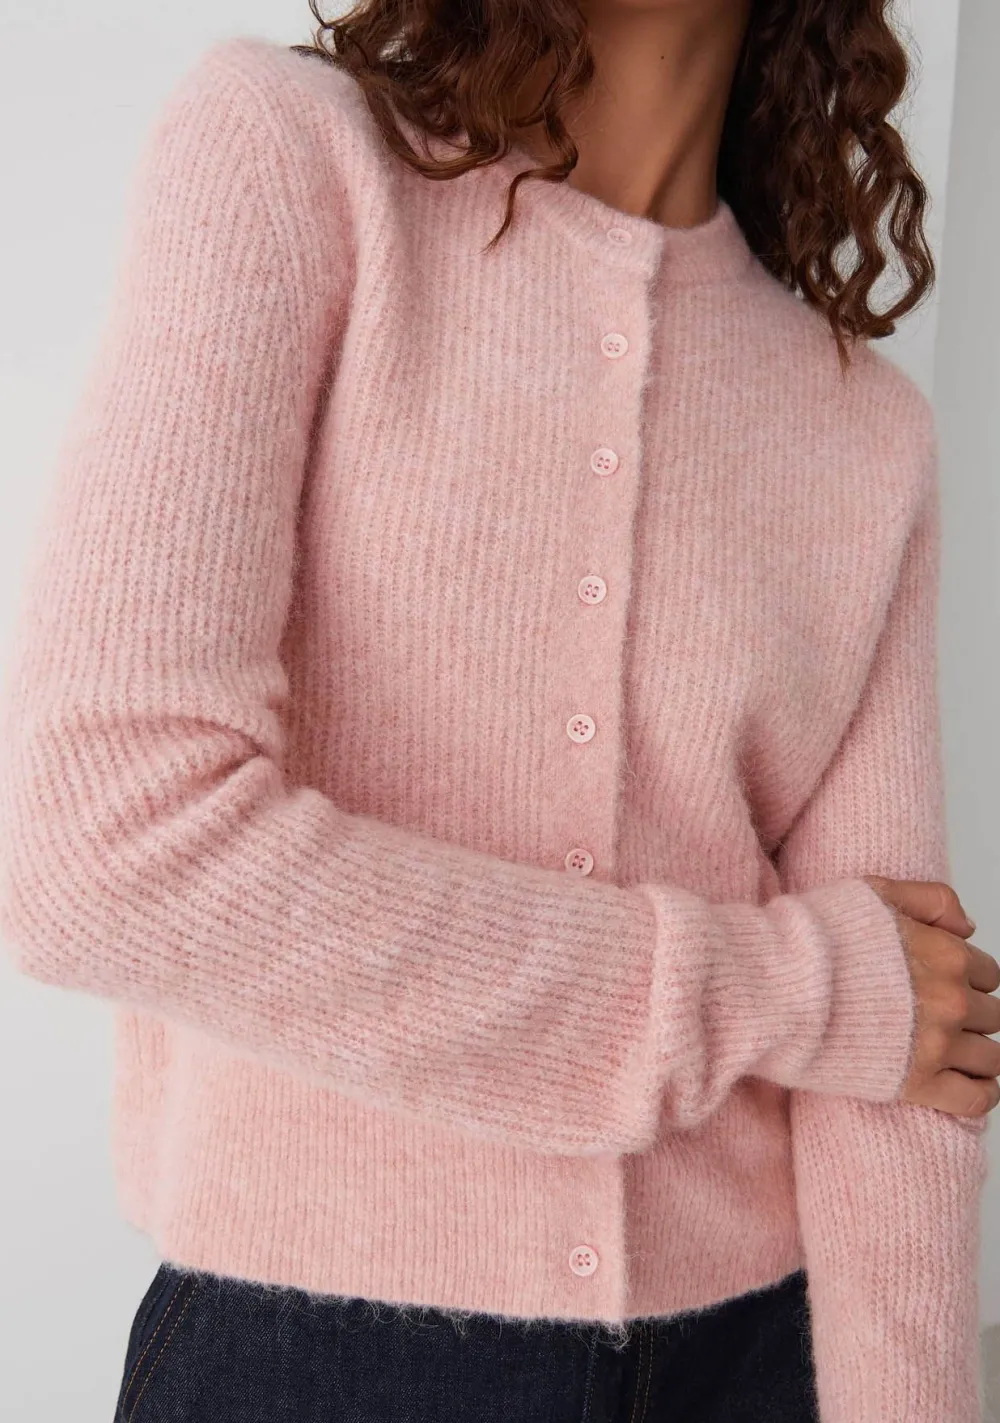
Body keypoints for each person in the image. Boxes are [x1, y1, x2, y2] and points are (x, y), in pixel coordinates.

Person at [1, 0, 998, 1419]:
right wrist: (782, 989)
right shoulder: (296, 162)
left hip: (753, 1358)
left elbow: (906, 1047)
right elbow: (101, 847)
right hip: (323, 1362)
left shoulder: (862, 428)